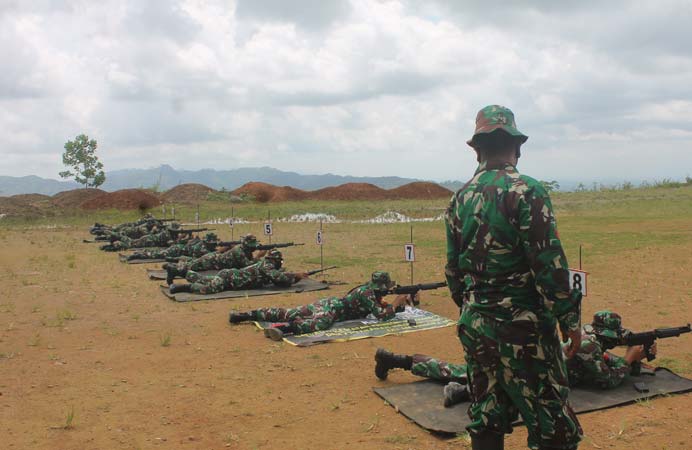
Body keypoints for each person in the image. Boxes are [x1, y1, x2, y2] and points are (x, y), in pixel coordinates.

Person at [445, 105, 583, 450]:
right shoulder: (528, 192)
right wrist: (570, 321)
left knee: (487, 415)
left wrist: (476, 308)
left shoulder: (459, 198)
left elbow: (453, 271)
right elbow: (549, 267)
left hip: (476, 324)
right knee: (553, 426)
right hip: (524, 330)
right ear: (516, 147)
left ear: (477, 149)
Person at [373, 310, 656, 407]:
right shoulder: (590, 346)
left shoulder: (584, 335)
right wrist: (629, 358)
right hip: (529, 374)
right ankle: (463, 392)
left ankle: (396, 360)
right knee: (499, 390)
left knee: (454, 368)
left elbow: (598, 361)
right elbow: (607, 380)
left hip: (516, 355)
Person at [228, 271, 415, 341]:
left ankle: (245, 315)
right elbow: (382, 317)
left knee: (289, 312)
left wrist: (396, 304)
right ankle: (283, 328)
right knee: (318, 324)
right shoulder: (366, 293)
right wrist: (396, 302)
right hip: (332, 309)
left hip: (329, 302)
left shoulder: (370, 292)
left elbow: (381, 309)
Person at [168, 254, 303, 295]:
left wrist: (294, 278)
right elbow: (279, 278)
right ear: (275, 260)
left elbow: (279, 281)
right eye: (280, 261)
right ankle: (182, 287)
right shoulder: (267, 265)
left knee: (202, 278)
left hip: (229, 277)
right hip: (230, 279)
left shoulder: (266, 265)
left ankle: (180, 271)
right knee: (209, 289)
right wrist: (296, 276)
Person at [162, 234, 263, 284]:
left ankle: (174, 265)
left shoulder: (245, 251)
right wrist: (259, 257)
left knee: (192, 263)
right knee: (190, 267)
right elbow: (247, 265)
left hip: (214, 261)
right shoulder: (239, 251)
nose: (254, 247)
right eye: (252, 245)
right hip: (212, 261)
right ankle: (173, 269)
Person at [125, 232, 219, 261]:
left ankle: (140, 253)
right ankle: (138, 255)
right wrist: (219, 251)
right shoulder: (201, 247)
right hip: (176, 250)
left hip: (178, 248)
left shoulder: (202, 244)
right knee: (158, 255)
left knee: (158, 253)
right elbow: (206, 256)